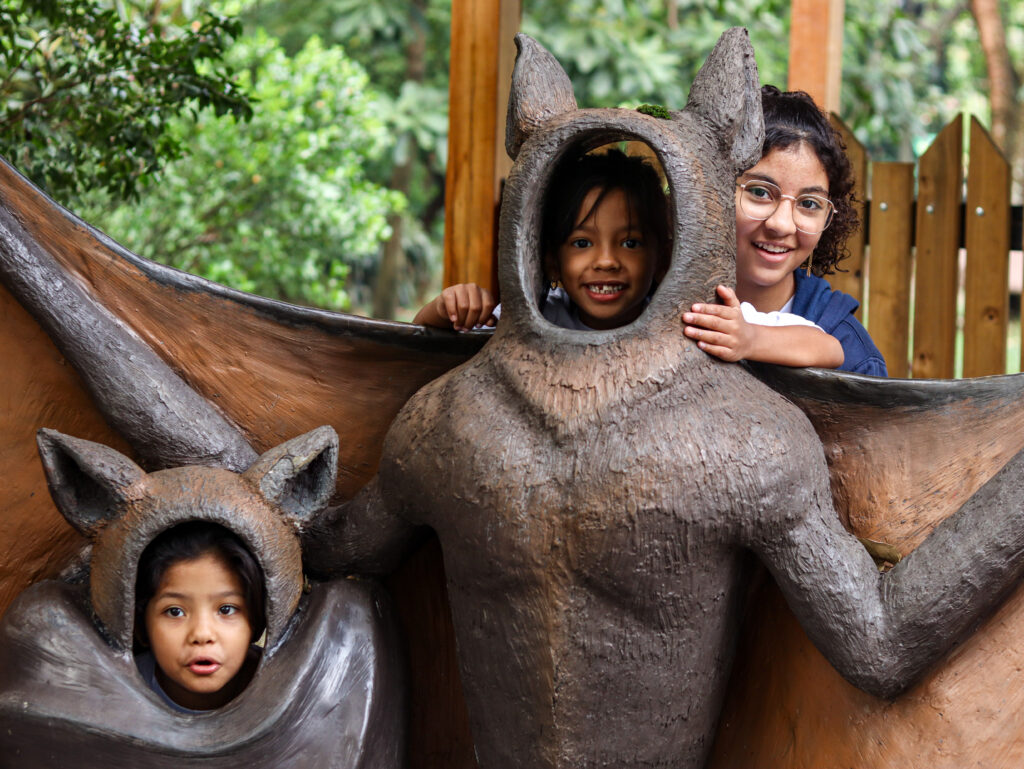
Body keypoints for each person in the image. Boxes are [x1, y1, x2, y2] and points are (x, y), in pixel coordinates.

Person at [681, 85, 887, 376]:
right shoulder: (656, 309)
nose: (781, 224)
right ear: (713, 188)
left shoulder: (854, 358)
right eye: (760, 192)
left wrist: (751, 338)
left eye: (809, 203)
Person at [414, 148, 671, 332]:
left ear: (661, 260)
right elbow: (416, 337)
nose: (606, 261)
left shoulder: (671, 322)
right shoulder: (539, 315)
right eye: (582, 243)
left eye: (630, 243)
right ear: (551, 263)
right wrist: (446, 308)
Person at [134, 521, 265, 713]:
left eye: (226, 609)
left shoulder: (291, 689)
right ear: (141, 624)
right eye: (175, 611)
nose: (202, 634)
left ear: (255, 620)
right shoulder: (114, 691)